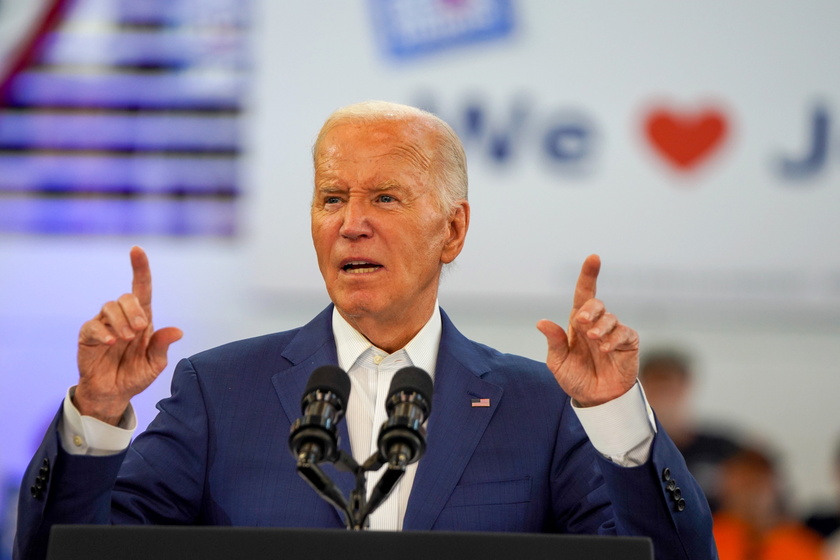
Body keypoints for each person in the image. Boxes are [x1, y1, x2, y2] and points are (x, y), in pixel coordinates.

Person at [14, 101, 716, 560]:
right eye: (331, 197)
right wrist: (98, 417)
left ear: (454, 229)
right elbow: (70, 553)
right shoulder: (218, 391)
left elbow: (668, 559)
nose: (351, 221)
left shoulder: (538, 406)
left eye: (384, 196)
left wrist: (616, 416)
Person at [638, 349, 743, 512]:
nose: (663, 396)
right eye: (655, 387)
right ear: (642, 389)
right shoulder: (629, 452)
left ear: (686, 385)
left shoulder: (724, 450)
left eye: (669, 387)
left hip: (716, 534)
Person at [713, 445, 826, 560]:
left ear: (775, 487)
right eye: (743, 484)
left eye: (756, 482)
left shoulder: (803, 544)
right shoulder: (707, 535)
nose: (749, 494)